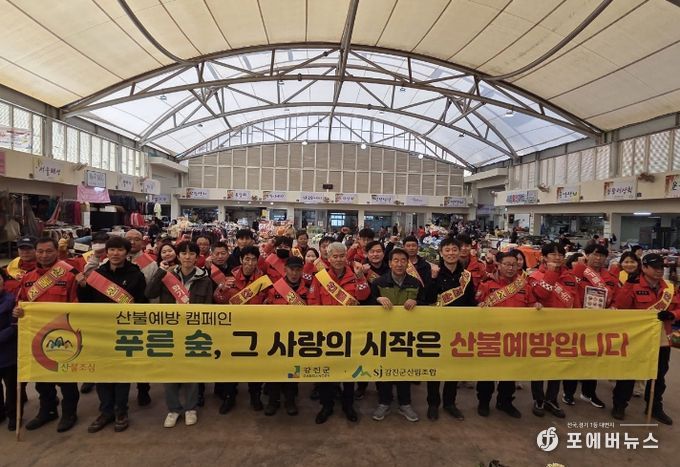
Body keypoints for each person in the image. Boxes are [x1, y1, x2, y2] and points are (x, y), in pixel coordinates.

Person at [76, 236, 148, 433]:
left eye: (120, 250)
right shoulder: (97, 275)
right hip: (101, 331)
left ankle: (121, 411)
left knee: (121, 373)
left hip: (125, 331)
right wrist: (82, 287)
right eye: (112, 250)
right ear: (106, 252)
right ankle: (106, 411)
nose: (116, 253)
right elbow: (86, 303)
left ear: (127, 252)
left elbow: (141, 303)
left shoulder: (136, 275)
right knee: (102, 372)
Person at [12, 237, 80, 433]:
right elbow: (21, 303)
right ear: (35, 253)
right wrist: (17, 311)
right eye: (40, 251)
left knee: (66, 378)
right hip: (37, 335)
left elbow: (77, 305)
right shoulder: (27, 278)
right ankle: (47, 410)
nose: (44, 255)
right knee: (41, 378)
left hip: (63, 335)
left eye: (48, 251)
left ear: (57, 252)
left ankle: (69, 413)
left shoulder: (69, 275)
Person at [146, 242, 212, 428]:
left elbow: (208, 308)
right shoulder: (167, 275)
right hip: (170, 331)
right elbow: (149, 293)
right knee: (170, 372)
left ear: (197, 257)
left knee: (191, 371)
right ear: (178, 255)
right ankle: (173, 409)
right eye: (183, 253)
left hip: (193, 332)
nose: (187, 257)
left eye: (192, 253)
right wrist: (160, 272)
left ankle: (191, 408)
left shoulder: (205, 280)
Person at [308, 242, 370, 424]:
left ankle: (348, 405)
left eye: (342, 256)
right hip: (326, 334)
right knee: (326, 371)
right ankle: (326, 406)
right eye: (334, 256)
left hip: (350, 333)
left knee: (349, 372)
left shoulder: (355, 275)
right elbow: (313, 302)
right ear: (328, 258)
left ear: (346, 257)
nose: (338, 259)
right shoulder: (320, 278)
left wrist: (361, 278)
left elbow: (364, 296)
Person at [612, 253, 678, 424]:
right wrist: (628, 285)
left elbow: (679, 308)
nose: (659, 270)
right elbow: (620, 306)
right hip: (637, 338)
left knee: (659, 375)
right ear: (644, 267)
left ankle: (655, 407)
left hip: (662, 339)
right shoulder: (633, 285)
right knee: (629, 373)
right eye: (655, 267)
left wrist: (672, 314)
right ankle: (620, 405)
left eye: (661, 267)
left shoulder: (669, 288)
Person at [476, 251, 540, 419]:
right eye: (506, 264)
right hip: (491, 337)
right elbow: (476, 307)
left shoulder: (525, 286)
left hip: (514, 338)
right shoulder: (487, 285)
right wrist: (479, 307)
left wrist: (536, 306)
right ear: (498, 265)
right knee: (487, 373)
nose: (511, 268)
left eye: (514, 265)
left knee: (509, 373)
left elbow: (532, 305)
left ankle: (505, 402)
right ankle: (484, 402)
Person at [370, 248, 427, 423]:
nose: (399, 264)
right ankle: (384, 402)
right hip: (383, 335)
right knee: (384, 369)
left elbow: (426, 303)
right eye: (396, 260)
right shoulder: (378, 282)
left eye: (403, 260)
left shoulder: (415, 283)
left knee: (404, 369)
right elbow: (367, 304)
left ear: (407, 263)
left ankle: (405, 403)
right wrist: (377, 300)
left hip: (407, 336)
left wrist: (416, 301)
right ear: (389, 263)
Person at [214, 246, 272, 414]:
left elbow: (269, 300)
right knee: (231, 366)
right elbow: (217, 300)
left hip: (256, 331)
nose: (250, 263)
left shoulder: (263, 281)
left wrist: (268, 302)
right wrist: (221, 290)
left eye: (253, 259)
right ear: (240, 260)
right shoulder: (229, 278)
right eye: (247, 259)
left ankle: (255, 396)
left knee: (256, 366)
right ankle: (229, 397)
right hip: (233, 330)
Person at [423, 237, 476, 421]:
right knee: (435, 368)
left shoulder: (467, 276)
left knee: (453, 368)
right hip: (437, 327)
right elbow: (427, 298)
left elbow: (471, 302)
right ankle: (433, 404)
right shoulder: (434, 273)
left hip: (458, 329)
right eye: (447, 250)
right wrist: (433, 279)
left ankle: (450, 403)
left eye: (454, 249)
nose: (451, 253)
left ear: (460, 252)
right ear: (441, 252)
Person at [564, 244, 620, 409]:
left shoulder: (610, 277)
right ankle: (568, 393)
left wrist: (613, 307)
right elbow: (569, 289)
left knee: (594, 359)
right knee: (573, 358)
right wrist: (579, 268)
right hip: (577, 322)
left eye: (602, 255)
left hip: (599, 324)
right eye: (595, 254)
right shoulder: (578, 272)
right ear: (587, 255)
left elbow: (616, 298)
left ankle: (589, 393)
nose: (598, 258)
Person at [527, 243, 579, 419]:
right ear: (544, 257)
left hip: (563, 329)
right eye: (553, 254)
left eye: (560, 254)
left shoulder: (570, 276)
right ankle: (538, 399)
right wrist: (551, 272)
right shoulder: (535, 275)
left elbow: (575, 301)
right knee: (539, 365)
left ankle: (552, 399)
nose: (557, 257)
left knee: (557, 366)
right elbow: (541, 294)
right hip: (541, 328)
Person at [263, 256, 308, 416]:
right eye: (291, 269)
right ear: (285, 269)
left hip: (297, 337)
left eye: (298, 270)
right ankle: (273, 401)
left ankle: (290, 401)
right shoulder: (275, 288)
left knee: (293, 370)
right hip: (276, 337)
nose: (294, 273)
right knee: (274, 370)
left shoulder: (308, 289)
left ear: (302, 271)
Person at [125, 229, 158, 406]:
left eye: (136, 239)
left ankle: (143, 389)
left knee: (141, 354)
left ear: (143, 242)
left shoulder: (150, 264)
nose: (132, 242)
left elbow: (154, 292)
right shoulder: (110, 260)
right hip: (119, 317)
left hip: (141, 315)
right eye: (129, 239)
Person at [0, 276, 19, 431]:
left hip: (9, 353)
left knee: (11, 387)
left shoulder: (11, 300)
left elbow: (15, 325)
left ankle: (14, 415)